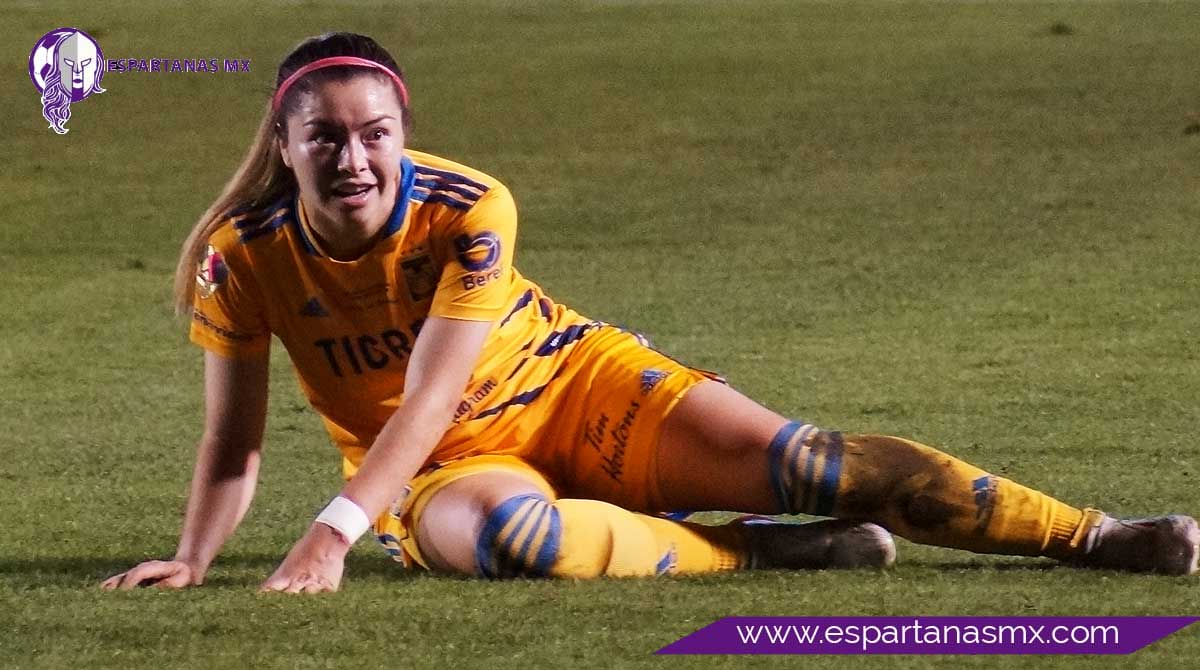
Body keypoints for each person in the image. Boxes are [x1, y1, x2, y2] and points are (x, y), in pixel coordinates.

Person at [102, 33, 1198, 594]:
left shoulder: (472, 206)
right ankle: (759, 557)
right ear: (283, 144)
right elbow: (232, 440)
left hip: (578, 388)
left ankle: (1093, 537)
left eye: (375, 132)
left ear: (404, 131)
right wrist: (197, 559)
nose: (354, 156)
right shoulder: (239, 260)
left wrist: (329, 536)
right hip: (436, 471)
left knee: (817, 459)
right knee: (511, 539)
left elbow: (435, 386)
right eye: (325, 137)